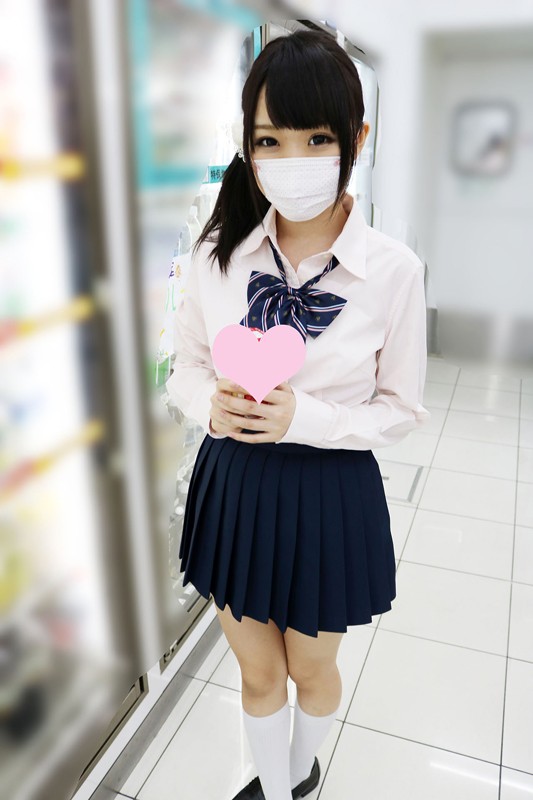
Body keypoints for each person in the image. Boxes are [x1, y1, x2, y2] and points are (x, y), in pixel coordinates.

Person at [166, 26, 431, 800]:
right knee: (256, 672)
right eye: (268, 140)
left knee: (311, 670)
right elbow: (186, 368)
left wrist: (303, 418)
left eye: (316, 138)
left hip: (329, 490)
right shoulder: (217, 255)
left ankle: (302, 770)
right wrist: (209, 405)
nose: (291, 159)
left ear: (356, 139)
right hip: (235, 482)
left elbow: (400, 410)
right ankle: (274, 788)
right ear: (246, 148)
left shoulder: (393, 272)